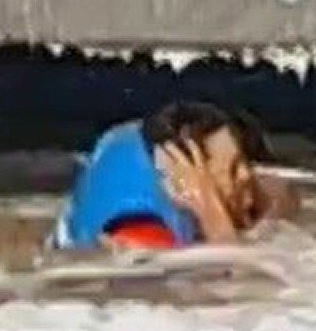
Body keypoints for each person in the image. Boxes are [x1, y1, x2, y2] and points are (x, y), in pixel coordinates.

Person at [51, 99, 297, 252]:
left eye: (243, 163)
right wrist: (212, 213)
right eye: (232, 170)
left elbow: (280, 194)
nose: (245, 177)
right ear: (185, 183)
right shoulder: (141, 235)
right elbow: (241, 292)